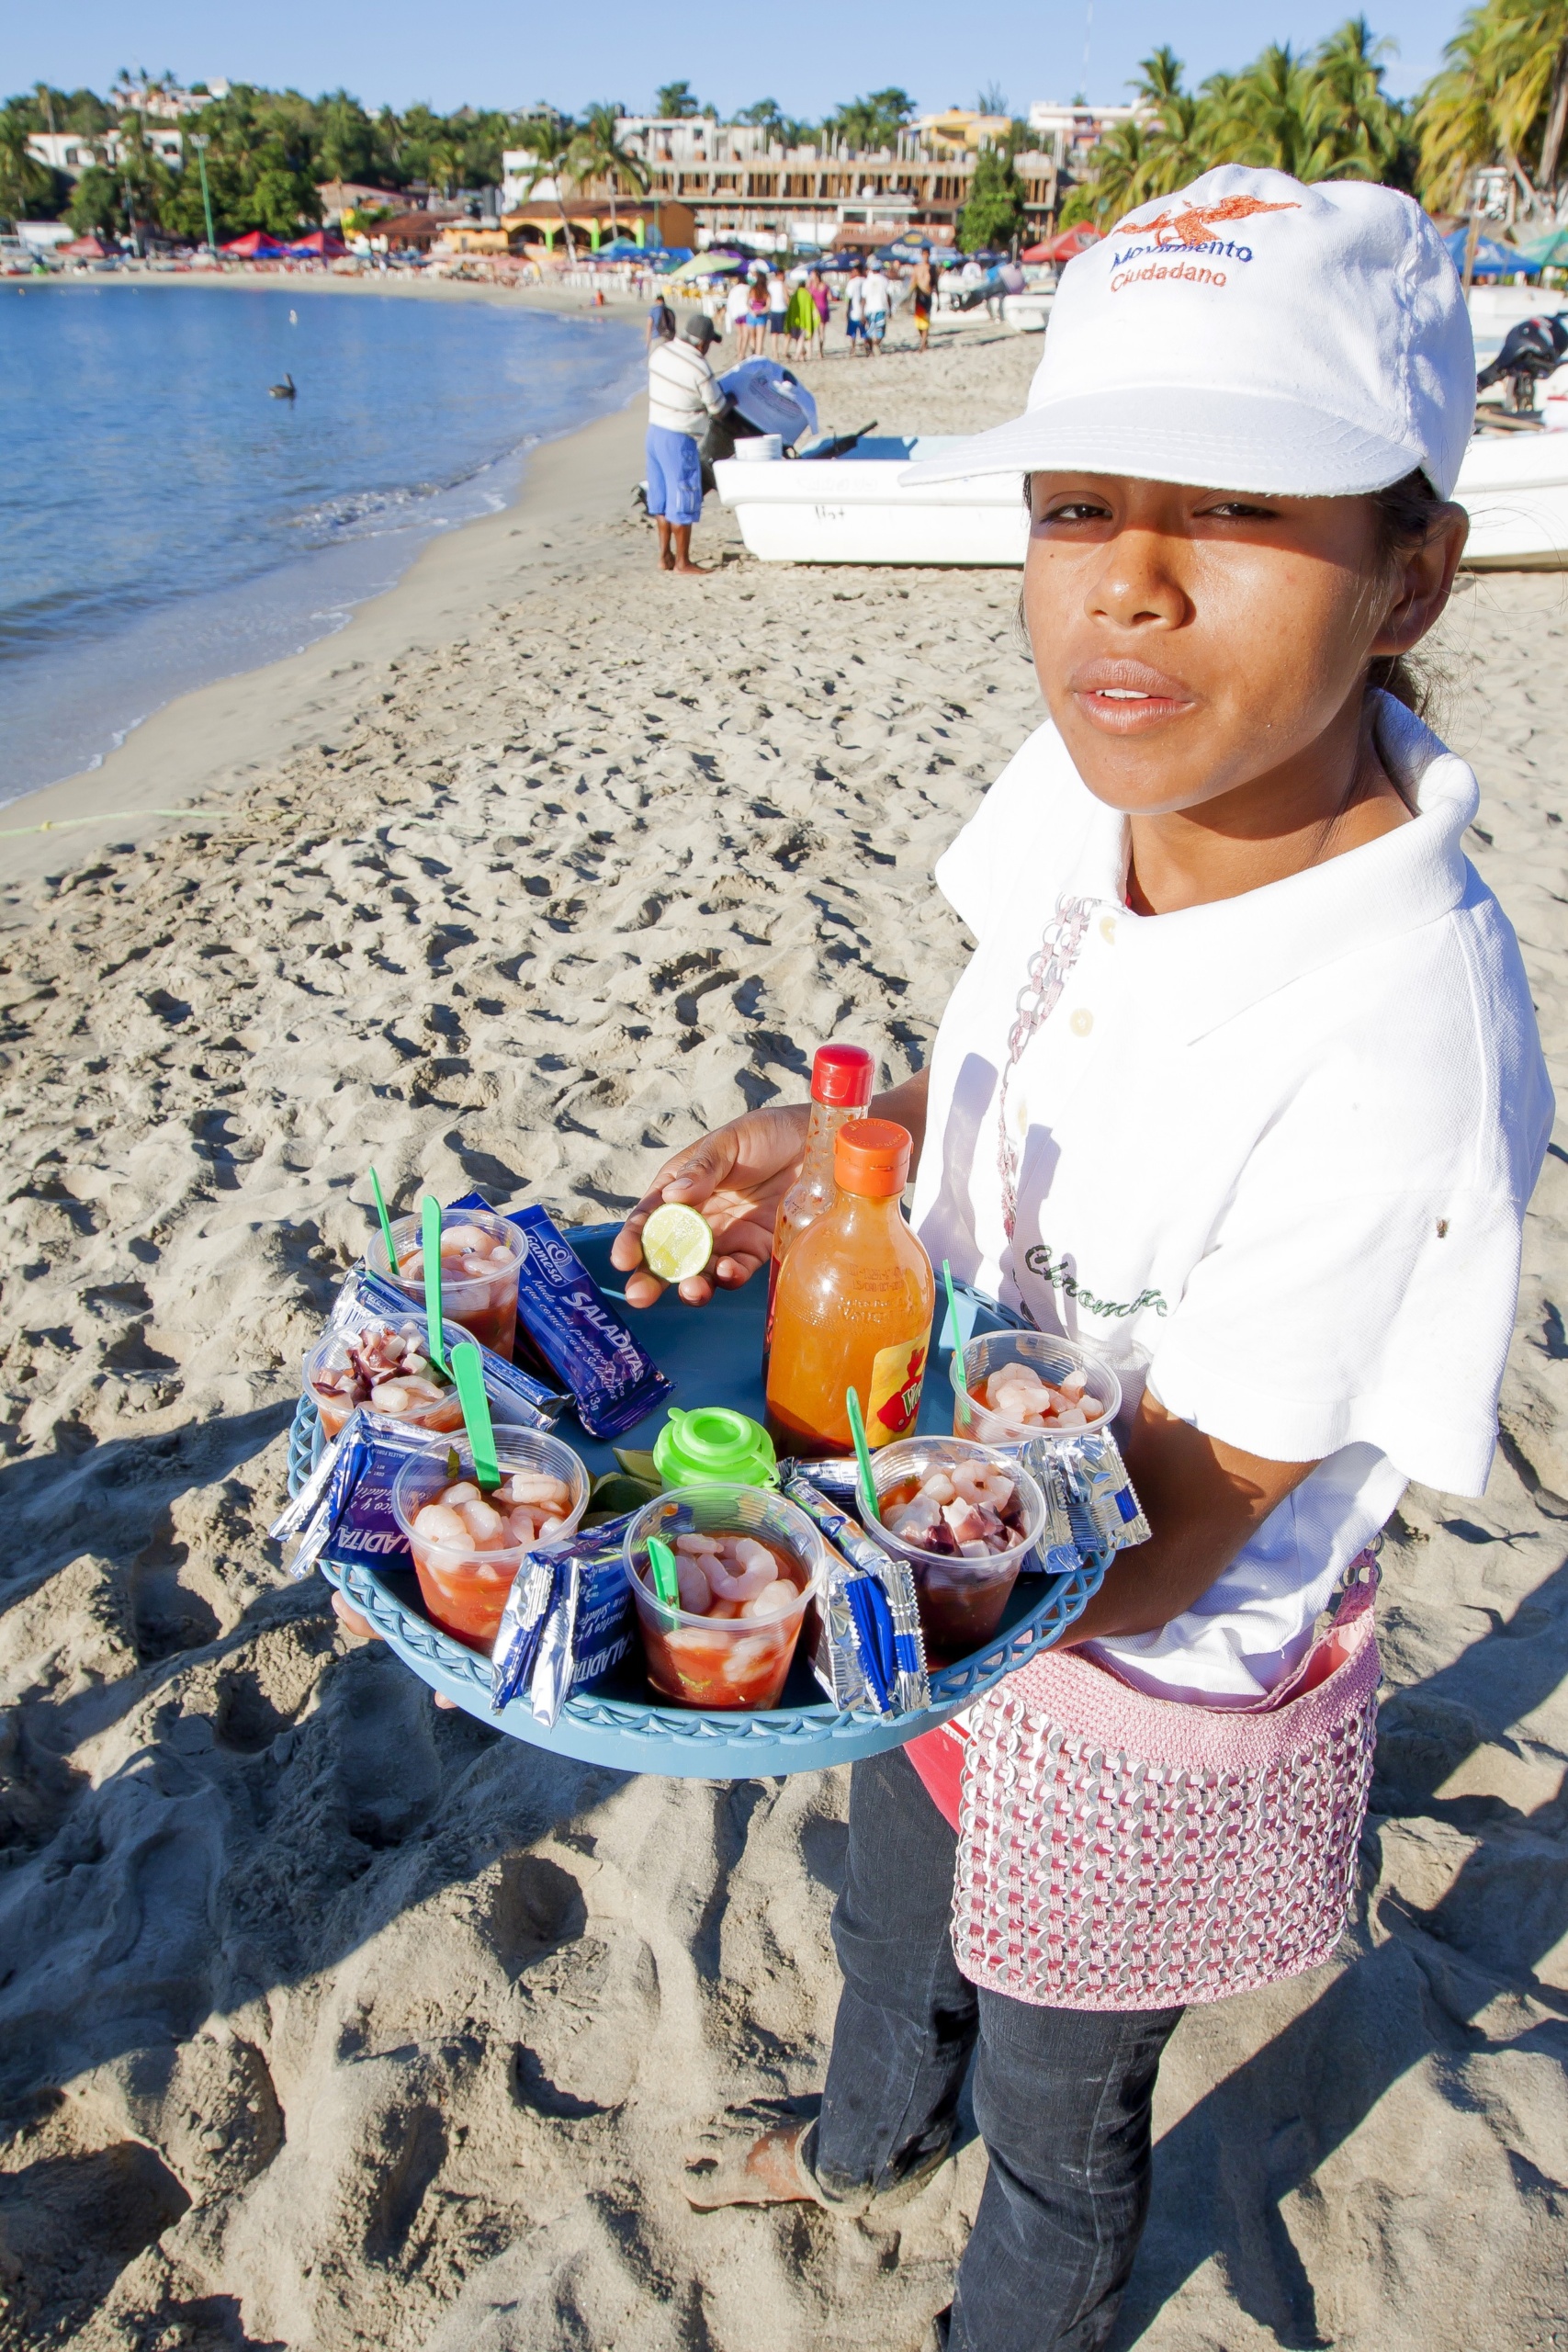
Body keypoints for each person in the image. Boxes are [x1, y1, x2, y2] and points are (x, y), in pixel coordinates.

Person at [609, 167, 1553, 2348]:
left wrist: (763, 1539)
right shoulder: (1085, 777)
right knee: (885, 1902)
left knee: (1060, 2101)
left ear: (1410, 567)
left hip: (1124, 1665)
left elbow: (1162, 1528)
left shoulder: (1395, 1031)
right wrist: (835, 1155)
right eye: (1071, 505)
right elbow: (1003, 1058)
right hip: (925, 1550)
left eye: (1231, 512)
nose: (1120, 591)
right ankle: (859, 2130)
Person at [645, 311, 731, 575]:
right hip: (679, 437)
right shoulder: (699, 367)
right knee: (682, 499)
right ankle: (683, 561)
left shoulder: (660, 352)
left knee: (660, 499)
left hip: (654, 432)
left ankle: (664, 556)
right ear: (703, 343)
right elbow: (718, 409)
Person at [863, 255, 890, 354]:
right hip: (881, 307)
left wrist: (863, 311)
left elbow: (863, 298)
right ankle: (875, 344)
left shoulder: (867, 281)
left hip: (869, 309)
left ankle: (870, 345)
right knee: (881, 330)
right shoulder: (884, 280)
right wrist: (890, 309)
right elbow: (888, 296)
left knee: (871, 329)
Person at [910, 244, 934, 351]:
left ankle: (922, 344)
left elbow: (935, 284)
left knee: (926, 320)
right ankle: (924, 339)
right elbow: (912, 282)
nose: (926, 256)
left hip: (927, 296)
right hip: (919, 296)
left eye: (927, 254)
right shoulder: (917, 268)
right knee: (919, 323)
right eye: (924, 254)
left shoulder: (932, 268)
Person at [844, 257, 867, 356]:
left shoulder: (852, 282)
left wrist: (847, 310)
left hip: (854, 310)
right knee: (863, 332)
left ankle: (853, 349)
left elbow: (849, 297)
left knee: (853, 332)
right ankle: (866, 348)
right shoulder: (866, 281)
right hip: (865, 310)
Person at [808, 265, 830, 360]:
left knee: (811, 331)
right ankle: (820, 352)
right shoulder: (825, 286)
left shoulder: (811, 286)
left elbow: (808, 298)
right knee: (821, 332)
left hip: (814, 310)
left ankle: (810, 351)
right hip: (823, 309)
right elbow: (830, 298)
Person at [767, 261, 788, 358]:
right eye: (784, 275)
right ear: (780, 274)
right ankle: (784, 350)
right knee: (787, 333)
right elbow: (787, 298)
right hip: (782, 309)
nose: (785, 277)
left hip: (773, 310)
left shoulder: (770, 285)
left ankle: (775, 353)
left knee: (774, 333)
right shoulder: (781, 284)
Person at [724, 270, 750, 348]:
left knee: (739, 335)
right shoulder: (748, 288)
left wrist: (730, 314)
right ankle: (742, 353)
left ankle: (739, 352)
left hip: (736, 313)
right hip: (745, 312)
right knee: (745, 335)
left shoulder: (734, 289)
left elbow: (730, 302)